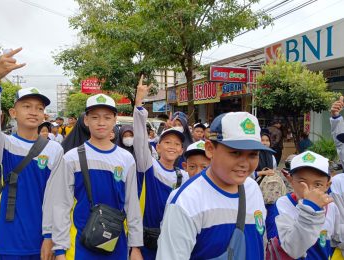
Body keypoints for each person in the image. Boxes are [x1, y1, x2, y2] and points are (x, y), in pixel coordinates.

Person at [0, 48, 64, 260]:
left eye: (38, 107)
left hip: (43, 241)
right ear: (13, 113)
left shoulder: (54, 149)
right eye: (26, 106)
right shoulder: (4, 145)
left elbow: (58, 199)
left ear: (44, 114)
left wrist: (52, 237)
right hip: (9, 241)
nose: (34, 111)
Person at [157, 111, 272, 259]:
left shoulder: (252, 189)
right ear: (210, 149)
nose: (244, 163)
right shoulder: (186, 201)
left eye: (253, 155)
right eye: (235, 153)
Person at [44, 93, 143, 260]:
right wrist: (60, 249)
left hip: (116, 245)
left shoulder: (126, 159)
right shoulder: (71, 158)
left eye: (107, 117)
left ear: (114, 120)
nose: (101, 122)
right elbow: (61, 205)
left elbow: (132, 205)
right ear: (86, 120)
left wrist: (135, 247)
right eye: (95, 117)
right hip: (79, 246)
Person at [133, 76, 189, 259]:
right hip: (147, 242)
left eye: (176, 144)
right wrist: (139, 102)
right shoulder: (149, 167)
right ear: (157, 147)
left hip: (174, 242)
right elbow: (140, 140)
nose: (172, 146)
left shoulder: (184, 176)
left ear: (181, 150)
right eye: (167, 142)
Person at [268, 151, 341, 259]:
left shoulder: (331, 207)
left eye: (318, 184)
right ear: (291, 180)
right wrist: (310, 208)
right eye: (303, 183)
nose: (309, 191)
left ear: (327, 185)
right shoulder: (281, 205)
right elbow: (292, 248)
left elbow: (337, 237)